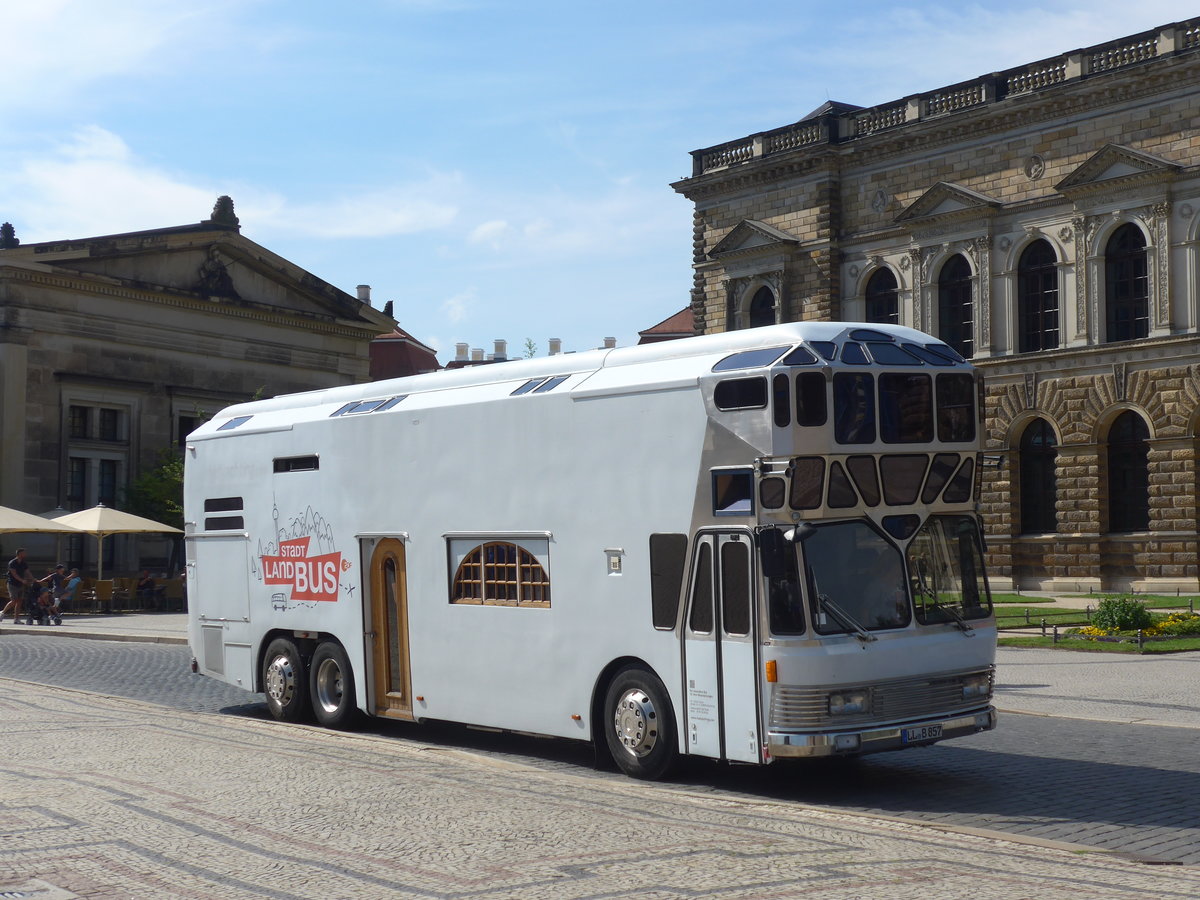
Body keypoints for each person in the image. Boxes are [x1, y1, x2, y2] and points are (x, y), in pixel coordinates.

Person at [0, 548, 33, 623]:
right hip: (12, 584)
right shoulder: (12, 563)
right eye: (24, 553)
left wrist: (33, 579)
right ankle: (2, 613)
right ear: (19, 554)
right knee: (14, 601)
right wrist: (22, 580)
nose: (25, 554)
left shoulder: (24, 563)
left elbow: (27, 572)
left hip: (20, 585)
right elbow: (14, 574)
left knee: (19, 601)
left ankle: (16, 619)